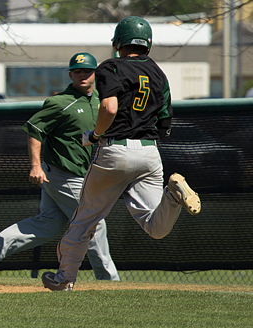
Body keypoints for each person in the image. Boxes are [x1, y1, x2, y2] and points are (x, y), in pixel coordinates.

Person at [42, 16, 201, 291]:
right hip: (150, 154)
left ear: (118, 43)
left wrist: (94, 136)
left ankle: (64, 278)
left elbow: (110, 108)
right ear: (148, 44)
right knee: (157, 228)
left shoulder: (111, 67)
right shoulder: (158, 74)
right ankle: (173, 195)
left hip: (114, 150)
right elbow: (165, 124)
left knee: (85, 219)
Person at [0, 52, 120, 281]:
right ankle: (109, 281)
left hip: (82, 174)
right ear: (70, 74)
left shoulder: (101, 101)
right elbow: (34, 130)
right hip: (64, 174)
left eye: (87, 71)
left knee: (48, 225)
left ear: (95, 74)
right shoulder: (60, 102)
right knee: (94, 223)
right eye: (77, 71)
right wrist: (36, 166)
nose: (83, 75)